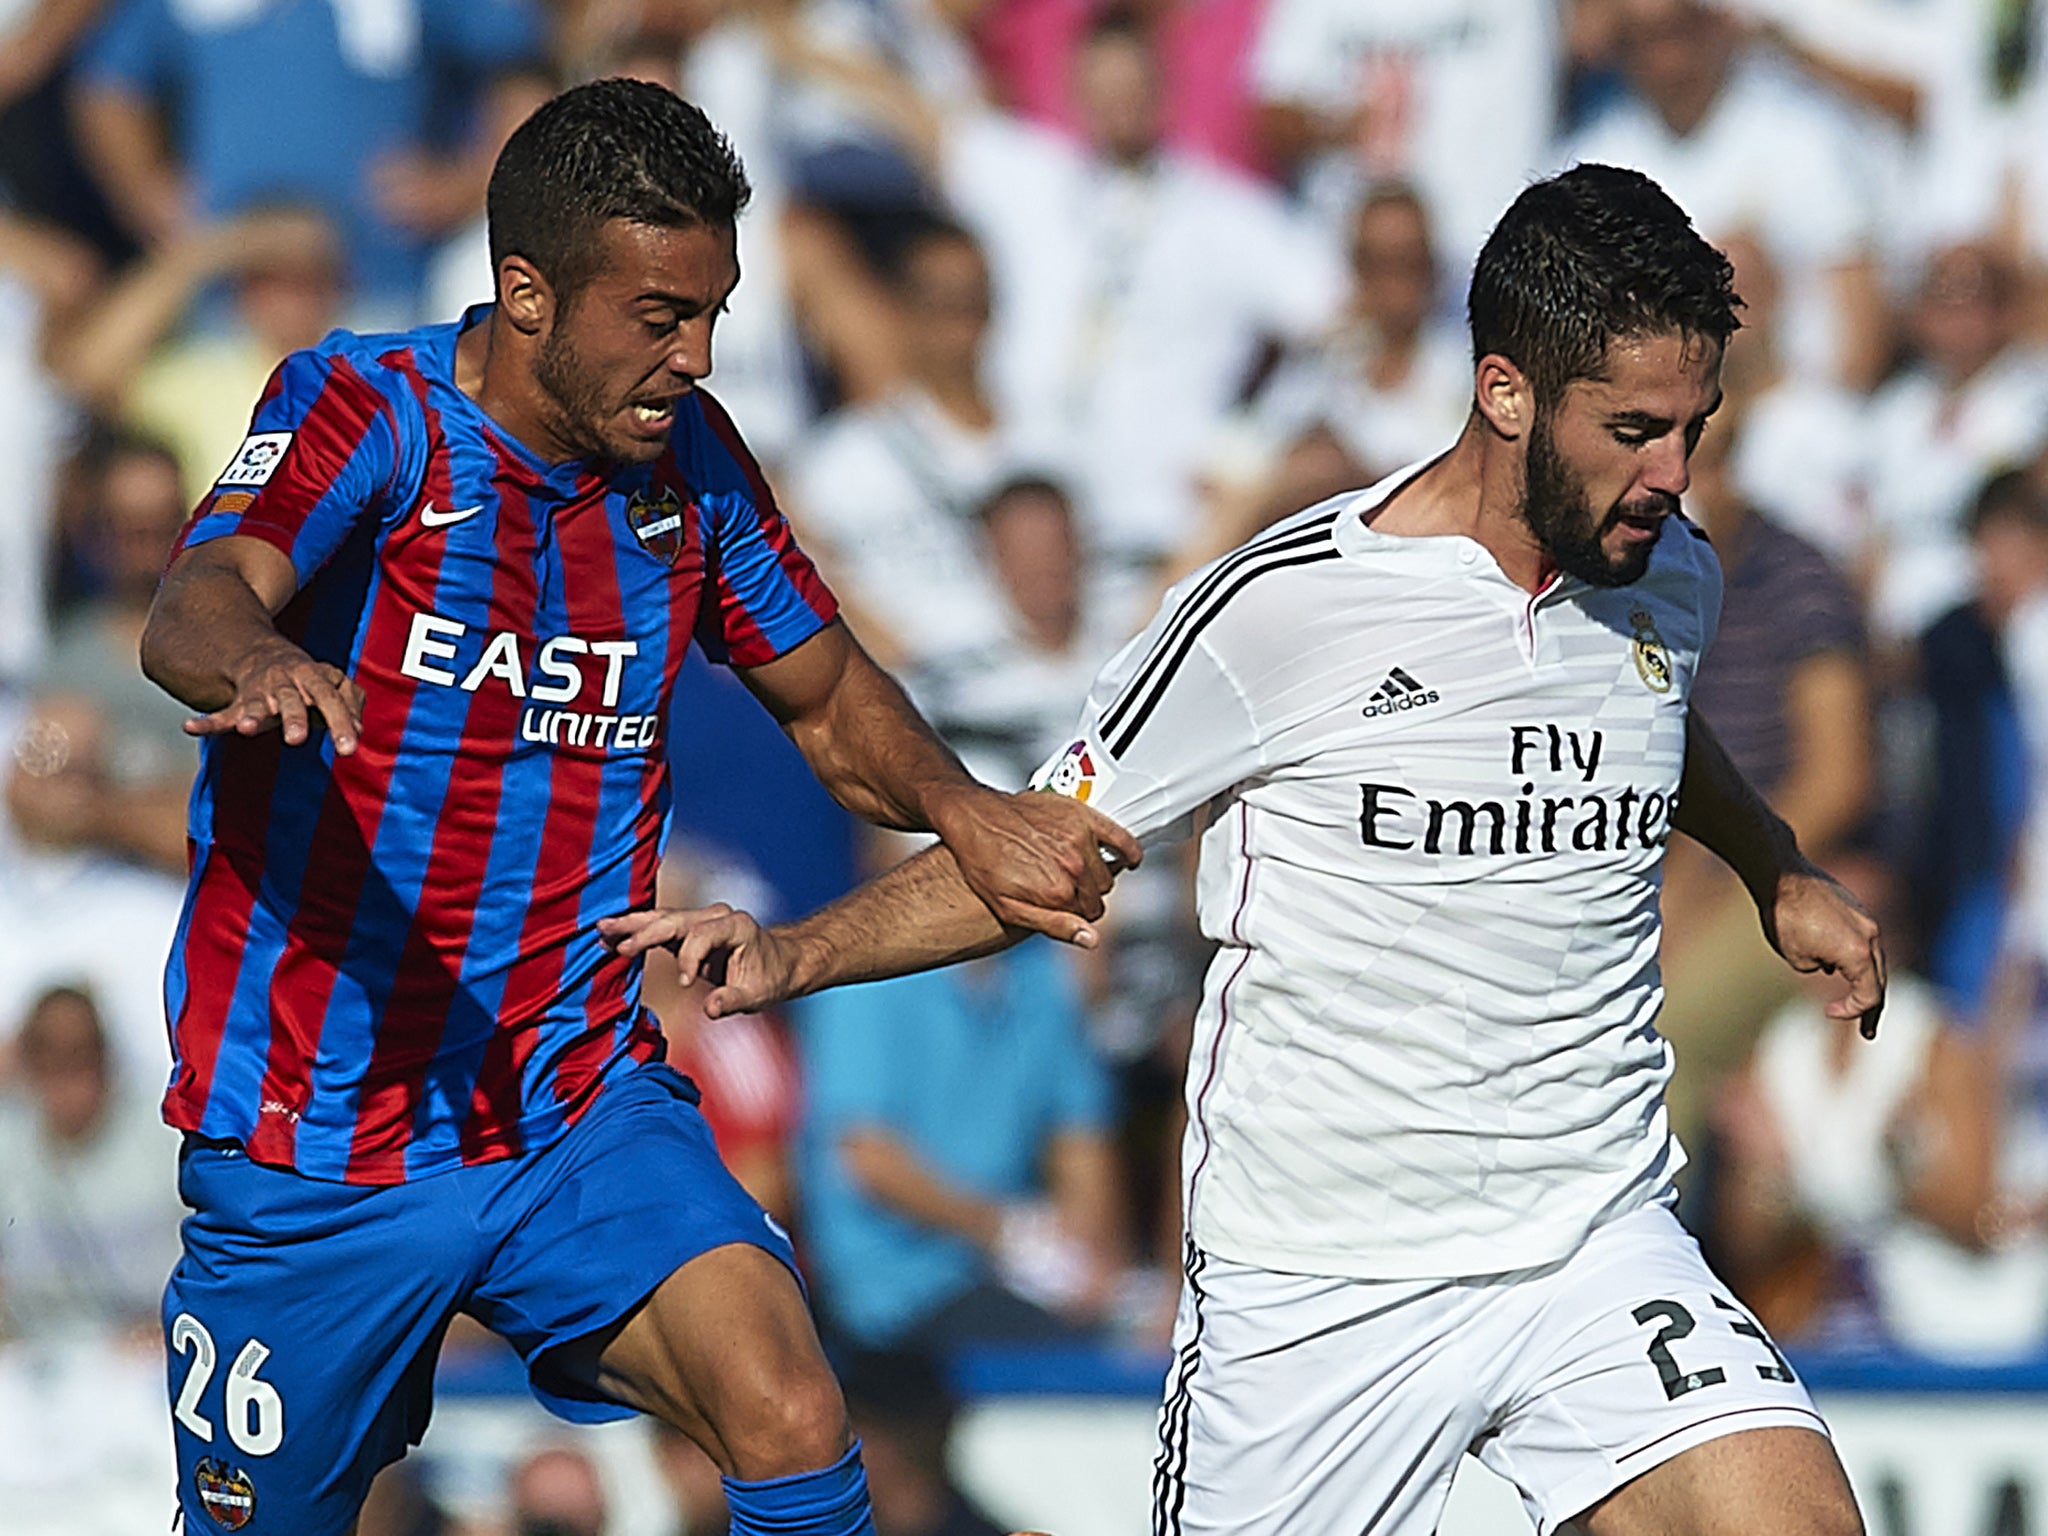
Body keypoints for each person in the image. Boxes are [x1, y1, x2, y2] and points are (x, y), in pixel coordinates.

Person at [606, 164, 1887, 1536]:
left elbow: (1649, 718)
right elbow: (1051, 851)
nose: (1675, 475)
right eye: (1635, 430)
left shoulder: (1663, 567)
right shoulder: (1283, 611)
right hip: (1318, 1280)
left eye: (1695, 429)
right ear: (1506, 392)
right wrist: (797, 952)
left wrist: (1777, 870)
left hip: (1589, 1236)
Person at [136, 78, 1138, 1536]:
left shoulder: (694, 468)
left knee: (788, 1402)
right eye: (661, 315)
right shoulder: (372, 412)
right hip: (315, 1137)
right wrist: (268, 657)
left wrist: (960, 806)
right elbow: (196, 601)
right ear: (529, 294)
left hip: (572, 1105)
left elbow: (830, 695)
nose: (698, 355)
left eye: (716, 311)